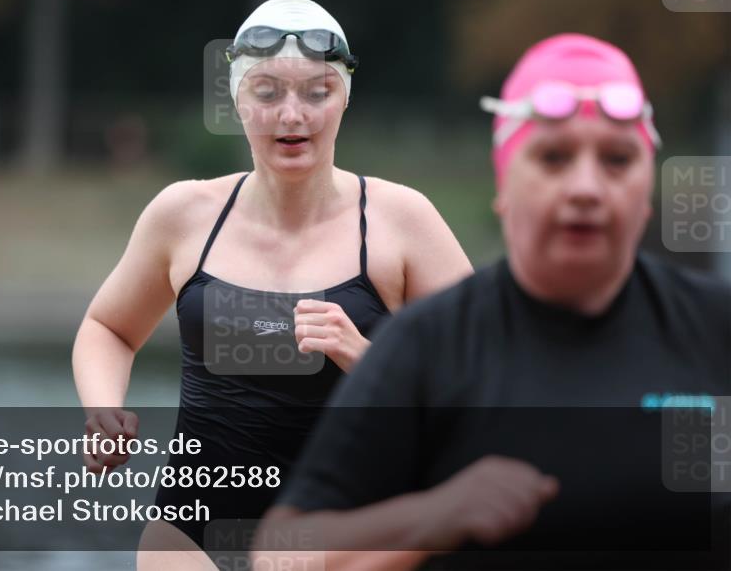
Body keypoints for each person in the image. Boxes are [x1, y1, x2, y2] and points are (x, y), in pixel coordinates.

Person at [257, 33, 731, 570]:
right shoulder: (427, 346)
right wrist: (433, 516)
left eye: (617, 160)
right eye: (553, 157)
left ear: (646, 191)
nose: (586, 187)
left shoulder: (715, 328)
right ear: (504, 182)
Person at [71, 0, 473, 569]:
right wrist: (103, 408)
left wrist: (369, 359)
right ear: (237, 101)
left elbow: (482, 384)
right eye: (267, 92)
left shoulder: (400, 221)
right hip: (189, 540)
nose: (292, 114)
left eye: (317, 91)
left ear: (343, 102)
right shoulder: (183, 214)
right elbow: (108, 326)